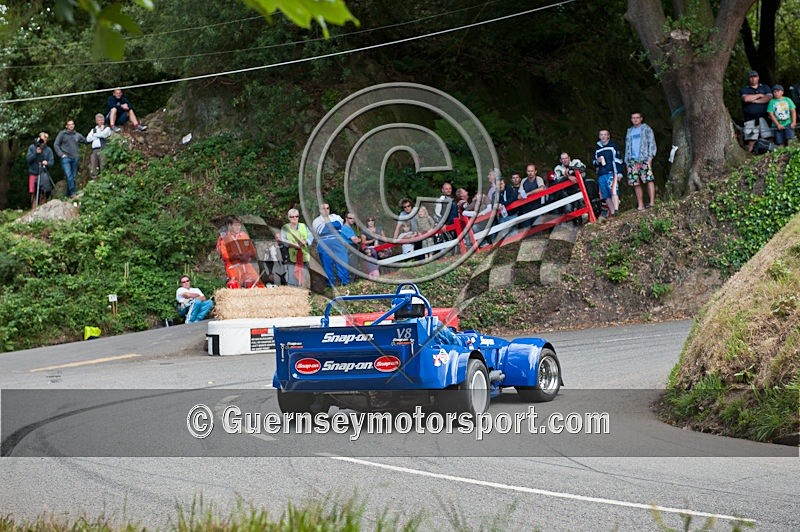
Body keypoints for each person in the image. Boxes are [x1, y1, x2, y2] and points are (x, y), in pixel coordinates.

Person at [624, 113, 657, 210]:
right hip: (632, 160)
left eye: (637, 118)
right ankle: (640, 205)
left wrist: (650, 158)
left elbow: (652, 143)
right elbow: (627, 146)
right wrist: (627, 161)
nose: (635, 119)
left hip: (644, 158)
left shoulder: (646, 129)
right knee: (635, 183)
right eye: (633, 118)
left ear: (641, 119)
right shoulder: (629, 131)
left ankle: (652, 203)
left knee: (649, 179)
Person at [217, 216, 262, 288]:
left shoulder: (244, 236)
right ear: (230, 226)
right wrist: (237, 256)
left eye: (239, 225)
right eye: (235, 225)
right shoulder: (225, 238)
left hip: (246, 265)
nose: (238, 227)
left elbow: (252, 251)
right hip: (233, 266)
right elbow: (225, 255)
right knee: (234, 283)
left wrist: (247, 255)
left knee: (257, 281)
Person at [312, 203, 349, 287]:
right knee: (327, 264)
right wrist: (332, 225)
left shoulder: (336, 217)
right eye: (323, 208)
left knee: (343, 262)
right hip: (324, 243)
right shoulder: (316, 220)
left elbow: (339, 225)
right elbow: (321, 231)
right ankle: (330, 285)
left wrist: (327, 224)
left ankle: (345, 283)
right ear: (320, 210)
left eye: (327, 208)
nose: (326, 210)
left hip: (337, 242)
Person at [741, 71, 773, 152]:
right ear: (749, 79)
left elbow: (768, 98)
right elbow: (746, 99)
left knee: (769, 138)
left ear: (758, 77)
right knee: (751, 140)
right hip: (750, 118)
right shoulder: (745, 89)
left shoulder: (765, 87)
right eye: (751, 77)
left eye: (755, 77)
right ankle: (749, 157)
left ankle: (771, 155)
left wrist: (755, 101)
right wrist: (760, 95)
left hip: (765, 117)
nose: (753, 79)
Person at [53, 119, 87, 198]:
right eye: (69, 124)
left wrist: (94, 135)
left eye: (72, 124)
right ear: (66, 126)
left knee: (73, 176)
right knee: (69, 175)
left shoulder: (77, 135)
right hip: (66, 158)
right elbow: (56, 144)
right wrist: (61, 154)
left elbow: (86, 141)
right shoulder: (62, 134)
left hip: (75, 157)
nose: (71, 126)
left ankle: (68, 195)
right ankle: (73, 193)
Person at [593, 129, 622, 218]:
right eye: (601, 135)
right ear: (599, 136)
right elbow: (594, 162)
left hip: (612, 173)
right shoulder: (597, 149)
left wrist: (619, 173)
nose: (603, 136)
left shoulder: (613, 146)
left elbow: (618, 160)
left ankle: (616, 210)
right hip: (601, 174)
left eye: (605, 135)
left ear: (608, 136)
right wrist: (597, 161)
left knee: (613, 191)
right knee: (605, 195)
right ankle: (612, 213)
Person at [280, 208, 312, 288]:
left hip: (304, 256)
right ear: (289, 218)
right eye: (292, 217)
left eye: (296, 216)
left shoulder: (304, 226)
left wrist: (305, 241)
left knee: (305, 278)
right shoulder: (285, 228)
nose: (294, 218)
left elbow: (311, 237)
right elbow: (283, 240)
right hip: (291, 256)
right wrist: (294, 244)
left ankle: (305, 292)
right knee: (292, 278)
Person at [26, 132, 55, 209]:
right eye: (42, 139)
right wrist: (35, 153)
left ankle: (42, 208)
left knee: (45, 191)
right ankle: (33, 209)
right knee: (33, 192)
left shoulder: (48, 150)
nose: (43, 141)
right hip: (33, 172)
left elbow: (52, 162)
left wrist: (47, 163)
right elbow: (28, 160)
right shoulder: (32, 147)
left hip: (43, 173)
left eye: (45, 139)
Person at [86, 113, 113, 180]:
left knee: (103, 165)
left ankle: (104, 179)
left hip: (103, 149)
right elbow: (88, 139)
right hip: (94, 150)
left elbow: (104, 135)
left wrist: (94, 135)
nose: (100, 121)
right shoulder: (93, 130)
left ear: (104, 120)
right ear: (96, 121)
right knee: (93, 166)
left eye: (102, 120)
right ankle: (95, 180)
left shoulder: (107, 128)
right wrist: (98, 134)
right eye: (99, 120)